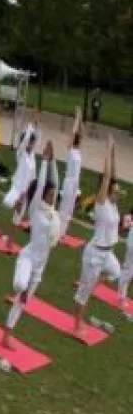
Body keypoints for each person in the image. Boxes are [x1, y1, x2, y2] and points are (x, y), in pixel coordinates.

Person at [2, 146, 63, 348]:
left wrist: (53, 161)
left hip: (40, 265)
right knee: (20, 286)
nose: (53, 196)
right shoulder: (36, 208)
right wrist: (44, 161)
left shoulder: (54, 212)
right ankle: (16, 289)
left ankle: (7, 335)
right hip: (28, 257)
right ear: (43, 194)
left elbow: (56, 183)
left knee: (23, 301)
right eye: (51, 193)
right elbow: (42, 185)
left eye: (55, 194)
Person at [73, 141, 121, 336]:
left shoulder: (114, 205)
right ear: (107, 190)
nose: (118, 193)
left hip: (107, 253)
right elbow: (108, 177)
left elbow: (113, 176)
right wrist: (108, 149)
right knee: (84, 295)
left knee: (116, 273)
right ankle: (77, 325)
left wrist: (114, 152)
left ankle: (88, 282)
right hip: (95, 254)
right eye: (116, 190)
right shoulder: (102, 204)